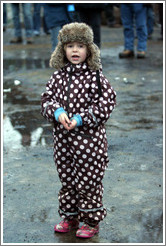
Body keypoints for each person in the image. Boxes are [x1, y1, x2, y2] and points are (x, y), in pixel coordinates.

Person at [41, 22, 116, 238]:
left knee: (89, 181)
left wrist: (81, 118)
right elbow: (46, 99)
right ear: (62, 49)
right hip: (63, 141)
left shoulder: (95, 77)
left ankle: (91, 220)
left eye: (80, 46)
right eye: (70, 45)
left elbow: (107, 102)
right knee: (67, 179)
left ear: (89, 50)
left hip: (89, 143)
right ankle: (70, 215)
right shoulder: (58, 77)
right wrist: (56, 112)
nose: (75, 50)